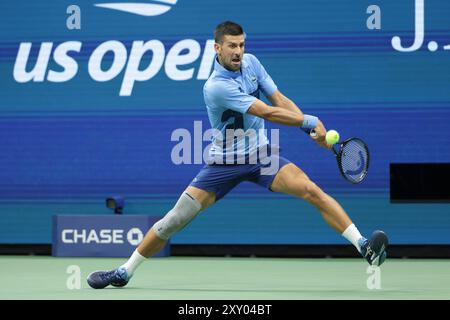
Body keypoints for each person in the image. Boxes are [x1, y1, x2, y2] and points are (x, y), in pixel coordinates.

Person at [87, 21, 388, 289]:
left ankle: (363, 246)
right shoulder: (215, 87)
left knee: (311, 190)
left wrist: (310, 133)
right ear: (217, 48)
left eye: (242, 45)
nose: (238, 51)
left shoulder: (252, 64)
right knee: (173, 221)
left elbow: (279, 99)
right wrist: (309, 121)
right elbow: (266, 111)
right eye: (232, 46)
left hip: (261, 156)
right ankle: (124, 272)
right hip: (223, 163)